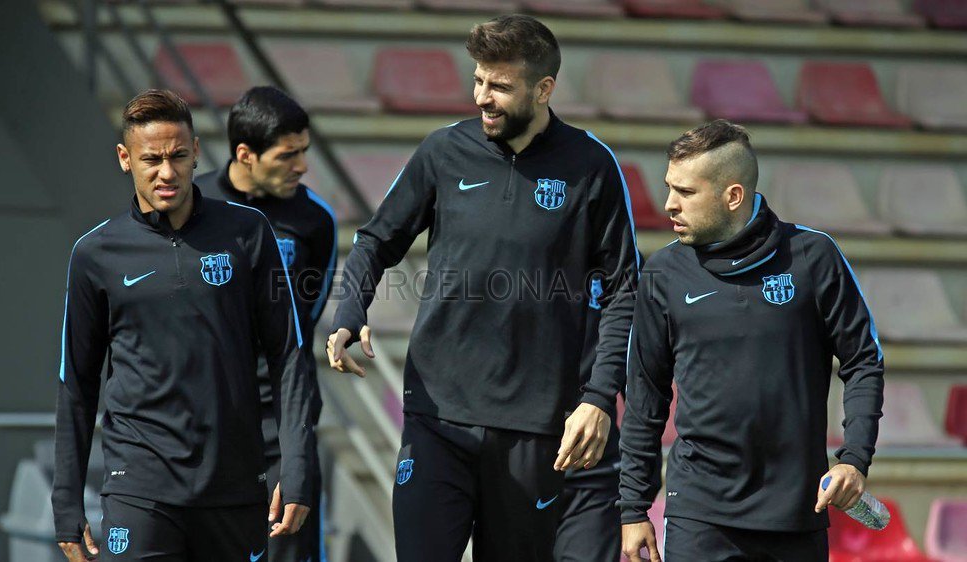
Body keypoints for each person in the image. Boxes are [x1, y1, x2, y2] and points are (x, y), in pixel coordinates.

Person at [327, 14, 639, 562]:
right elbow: (376, 240)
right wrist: (351, 310)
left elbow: (623, 292)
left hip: (535, 429)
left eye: (499, 86)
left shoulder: (592, 166)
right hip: (436, 415)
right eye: (477, 80)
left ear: (543, 89)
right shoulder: (443, 151)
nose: (481, 98)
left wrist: (598, 398)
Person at [53, 89, 315, 562]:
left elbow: (288, 356)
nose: (166, 172)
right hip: (138, 488)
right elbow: (77, 382)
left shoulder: (248, 232)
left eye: (177, 156)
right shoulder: (94, 253)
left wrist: (296, 464)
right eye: (151, 159)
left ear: (196, 151)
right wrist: (66, 497)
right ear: (125, 159)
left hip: (233, 487)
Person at [619, 120, 884, 562]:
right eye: (669, 188)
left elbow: (863, 362)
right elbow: (645, 395)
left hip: (796, 513)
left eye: (685, 192)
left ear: (733, 196)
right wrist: (632, 507)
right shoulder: (663, 274)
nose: (669, 204)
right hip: (698, 514)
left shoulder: (813, 257)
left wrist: (854, 458)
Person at [197, 85, 336, 562]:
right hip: (205, 419)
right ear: (245, 154)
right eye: (287, 155)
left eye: (304, 152)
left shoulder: (315, 220)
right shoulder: (193, 206)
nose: (302, 166)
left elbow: (305, 319)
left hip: (281, 423)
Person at [554, 274, 628, 562]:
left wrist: (644, 462)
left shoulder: (624, 266)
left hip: (594, 471)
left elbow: (642, 372)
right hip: (516, 466)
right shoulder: (514, 268)